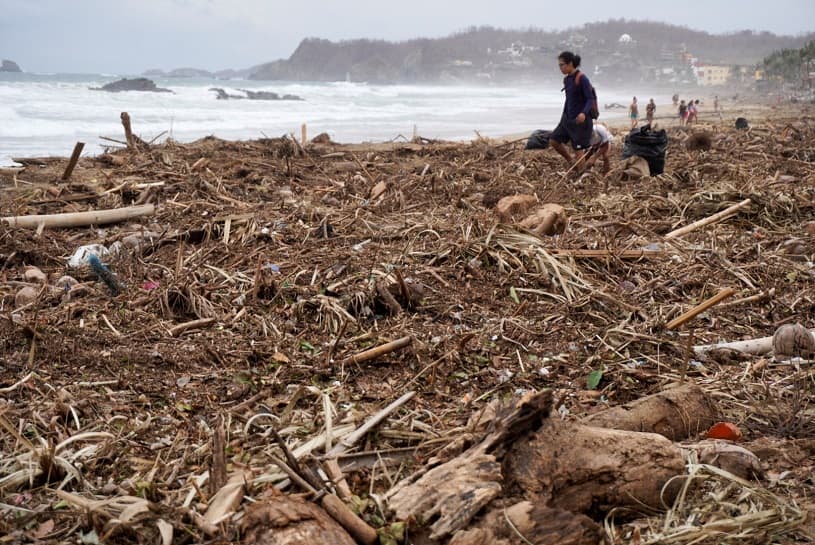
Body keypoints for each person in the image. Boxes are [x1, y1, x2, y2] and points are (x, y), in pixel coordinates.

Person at [549, 51, 595, 172]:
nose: (560, 68)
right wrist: (564, 116)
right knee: (554, 141)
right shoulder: (567, 80)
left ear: (570, 64)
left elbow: (590, 99)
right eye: (559, 65)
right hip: (567, 119)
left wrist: (583, 113)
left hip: (580, 121)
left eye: (562, 65)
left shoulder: (582, 78)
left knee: (578, 150)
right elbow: (568, 99)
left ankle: (581, 176)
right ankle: (571, 161)